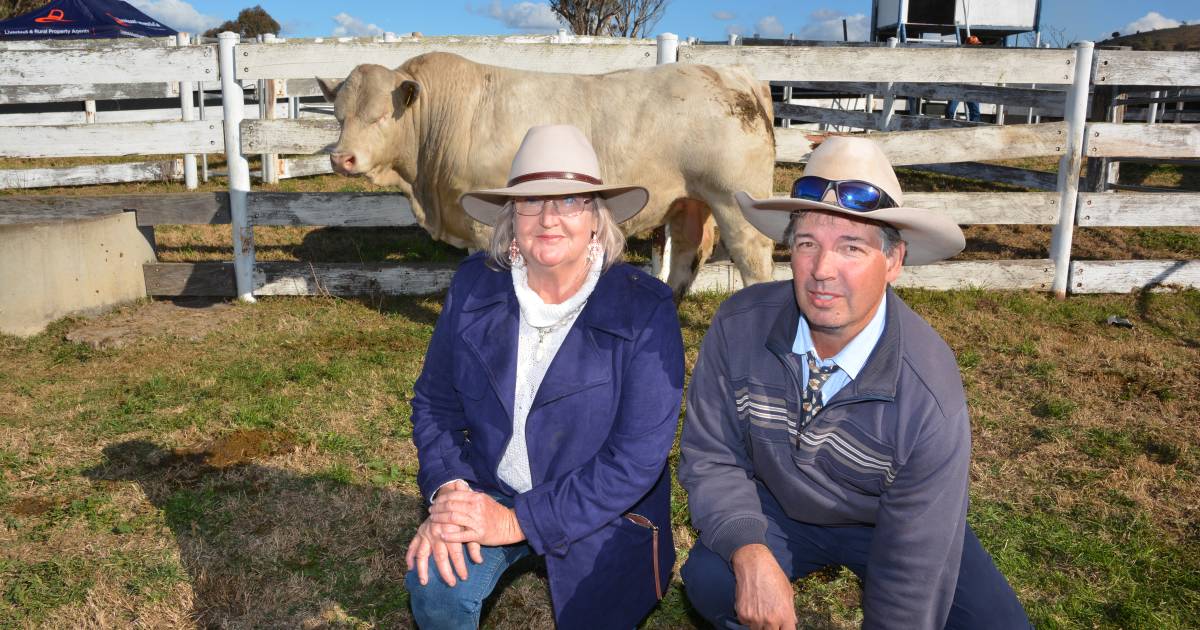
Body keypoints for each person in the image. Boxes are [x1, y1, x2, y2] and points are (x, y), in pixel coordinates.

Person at [678, 136, 1030, 629]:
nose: (823, 270)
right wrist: (749, 550)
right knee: (717, 581)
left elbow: (914, 564)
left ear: (893, 261)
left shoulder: (927, 391)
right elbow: (712, 455)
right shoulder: (739, 325)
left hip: (889, 521)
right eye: (807, 245)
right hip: (778, 505)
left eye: (851, 247)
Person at [405, 124, 683, 628]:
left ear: (597, 219)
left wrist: (516, 522)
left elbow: (635, 461)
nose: (549, 218)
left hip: (600, 509)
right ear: (511, 221)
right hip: (491, 483)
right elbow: (435, 402)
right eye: (531, 203)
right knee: (437, 589)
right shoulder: (472, 286)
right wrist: (451, 490)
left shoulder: (645, 309)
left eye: (571, 200)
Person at [946, 35, 983, 122]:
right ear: (968, 45)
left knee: (975, 112)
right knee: (950, 110)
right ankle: (946, 127)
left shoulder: (979, 58)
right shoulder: (958, 56)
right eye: (975, 45)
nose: (978, 47)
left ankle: (973, 131)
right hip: (958, 87)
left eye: (978, 45)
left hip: (973, 87)